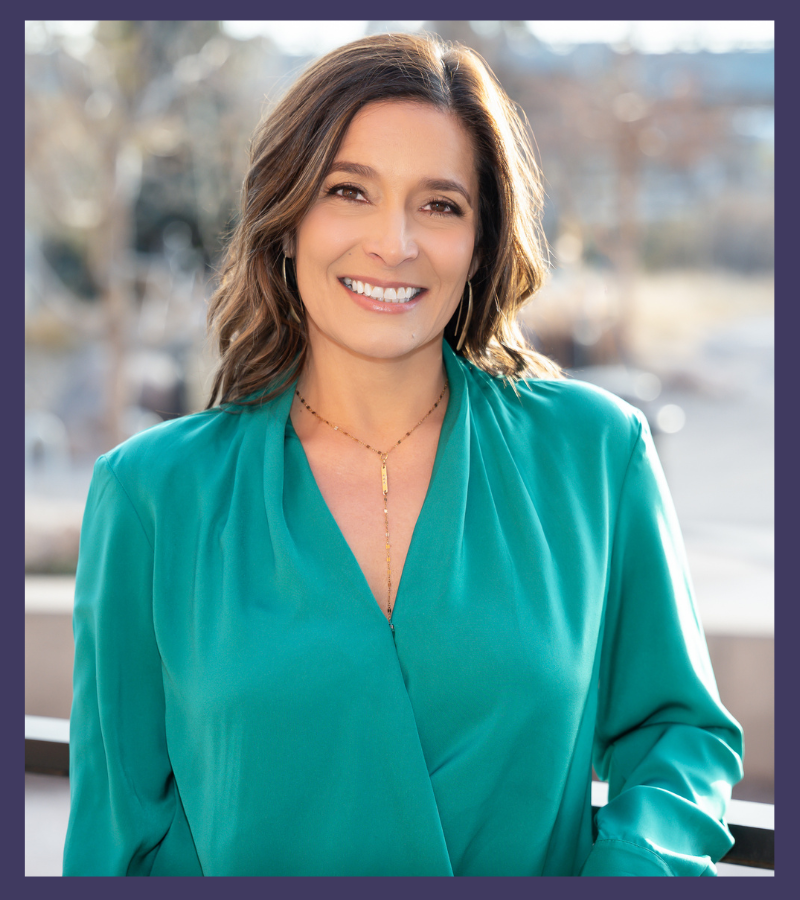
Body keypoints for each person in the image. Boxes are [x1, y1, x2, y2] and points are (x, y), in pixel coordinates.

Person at [63, 32, 743, 877]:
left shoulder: (595, 454)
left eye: (440, 204)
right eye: (349, 191)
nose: (395, 242)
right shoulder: (153, 495)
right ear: (286, 218)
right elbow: (113, 834)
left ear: (481, 241)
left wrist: (631, 875)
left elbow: (677, 733)